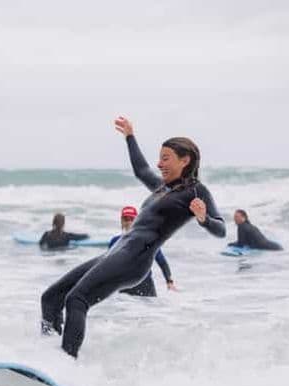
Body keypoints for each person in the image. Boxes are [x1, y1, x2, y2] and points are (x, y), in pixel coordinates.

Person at [40, 116, 226, 358]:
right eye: (159, 158)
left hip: (135, 258)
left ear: (185, 160)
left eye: (166, 158)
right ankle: (47, 354)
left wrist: (204, 219)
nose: (159, 164)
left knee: (77, 299)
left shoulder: (196, 191)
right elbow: (141, 170)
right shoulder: (163, 188)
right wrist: (130, 136)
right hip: (119, 251)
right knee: (51, 297)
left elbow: (220, 229)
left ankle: (66, 363)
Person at [108, 206, 175, 297]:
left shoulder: (149, 240)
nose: (128, 222)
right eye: (125, 219)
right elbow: (108, 265)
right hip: (124, 288)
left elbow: (162, 261)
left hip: (145, 287)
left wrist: (169, 281)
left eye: (131, 219)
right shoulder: (115, 242)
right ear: (121, 221)